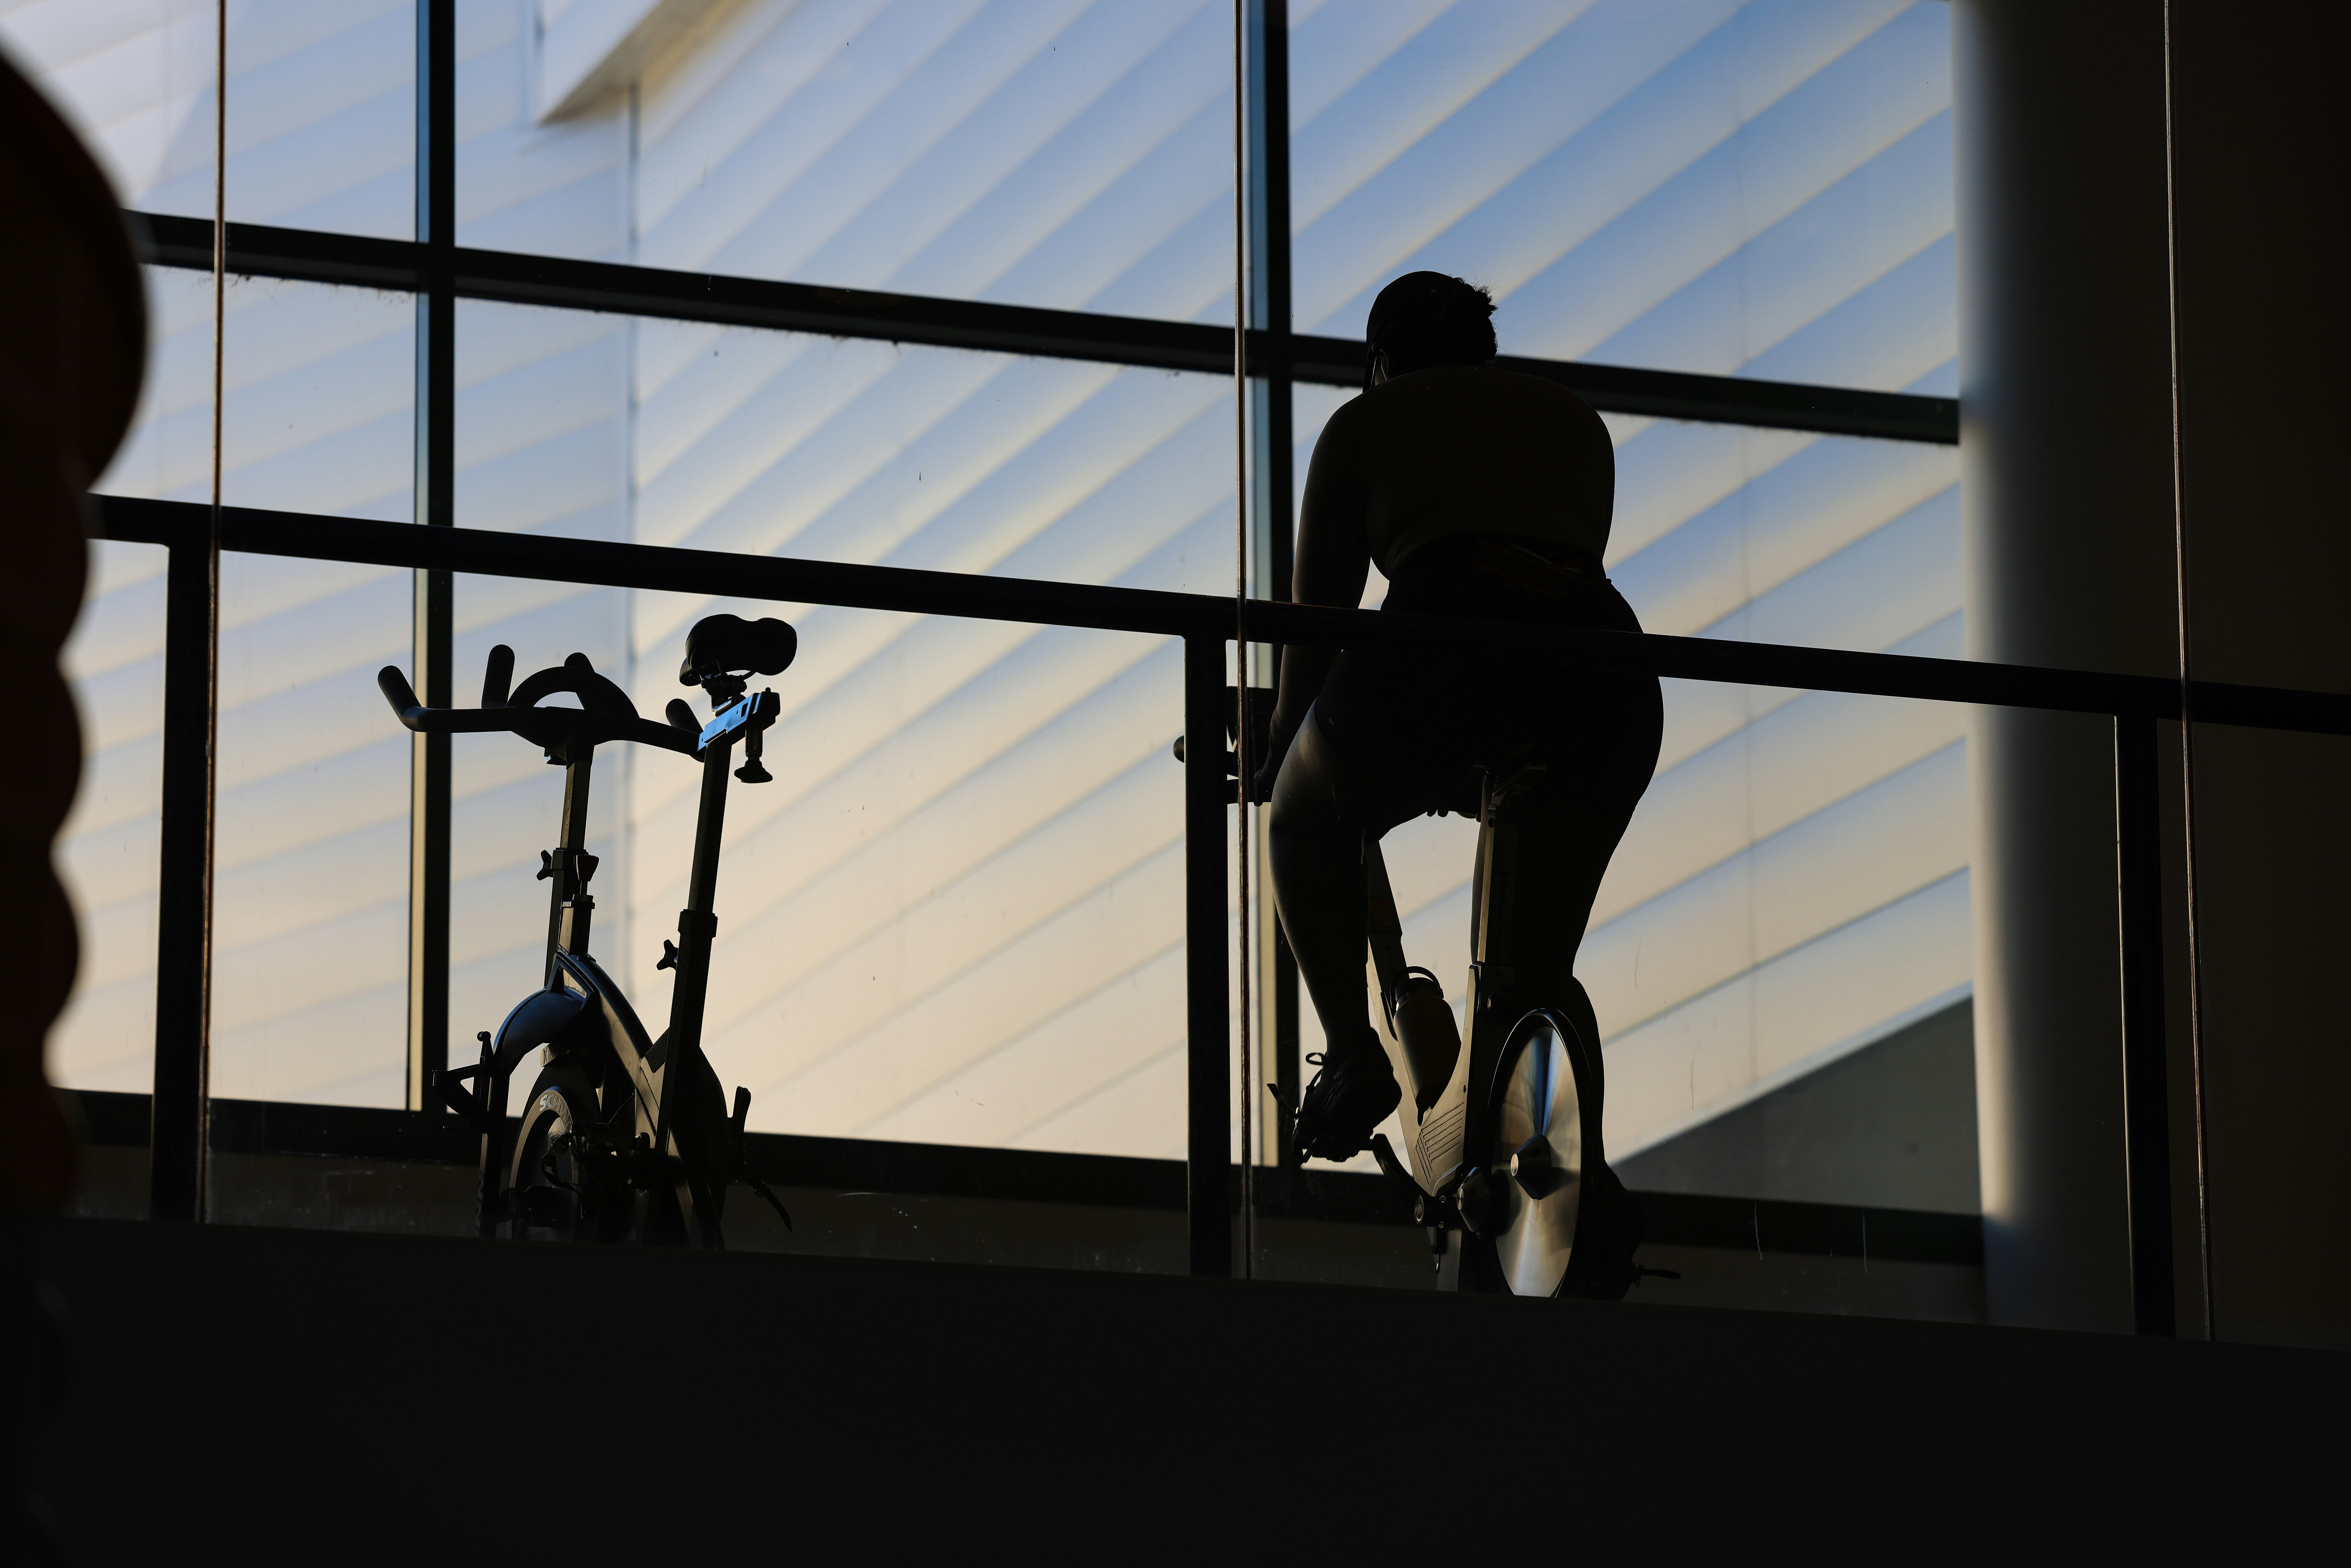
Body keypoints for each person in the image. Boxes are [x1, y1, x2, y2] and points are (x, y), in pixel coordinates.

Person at [1256, 271, 1663, 1163]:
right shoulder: (1573, 419)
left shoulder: (1365, 423)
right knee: (1537, 968)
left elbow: (1316, 626)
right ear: (1486, 350)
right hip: (1601, 668)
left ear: (1382, 361)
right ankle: (1570, 1160)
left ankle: (1354, 1060)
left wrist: (1283, 742)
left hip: (1436, 647)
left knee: (1298, 816)